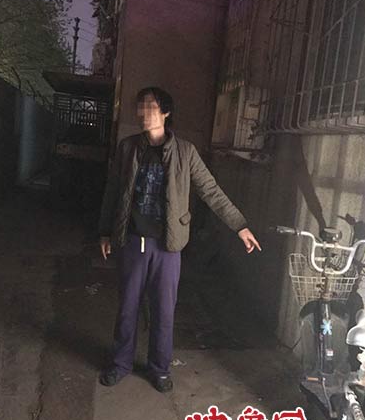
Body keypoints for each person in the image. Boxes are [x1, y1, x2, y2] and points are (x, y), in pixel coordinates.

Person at [98, 87, 261, 393]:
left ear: (165, 112)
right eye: (140, 107)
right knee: (128, 307)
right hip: (132, 240)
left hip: (167, 245)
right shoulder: (128, 147)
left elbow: (210, 190)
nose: (143, 114)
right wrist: (105, 231)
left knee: (164, 310)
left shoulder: (185, 152)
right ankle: (120, 364)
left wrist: (239, 225)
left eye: (150, 107)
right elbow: (113, 188)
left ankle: (159, 369)